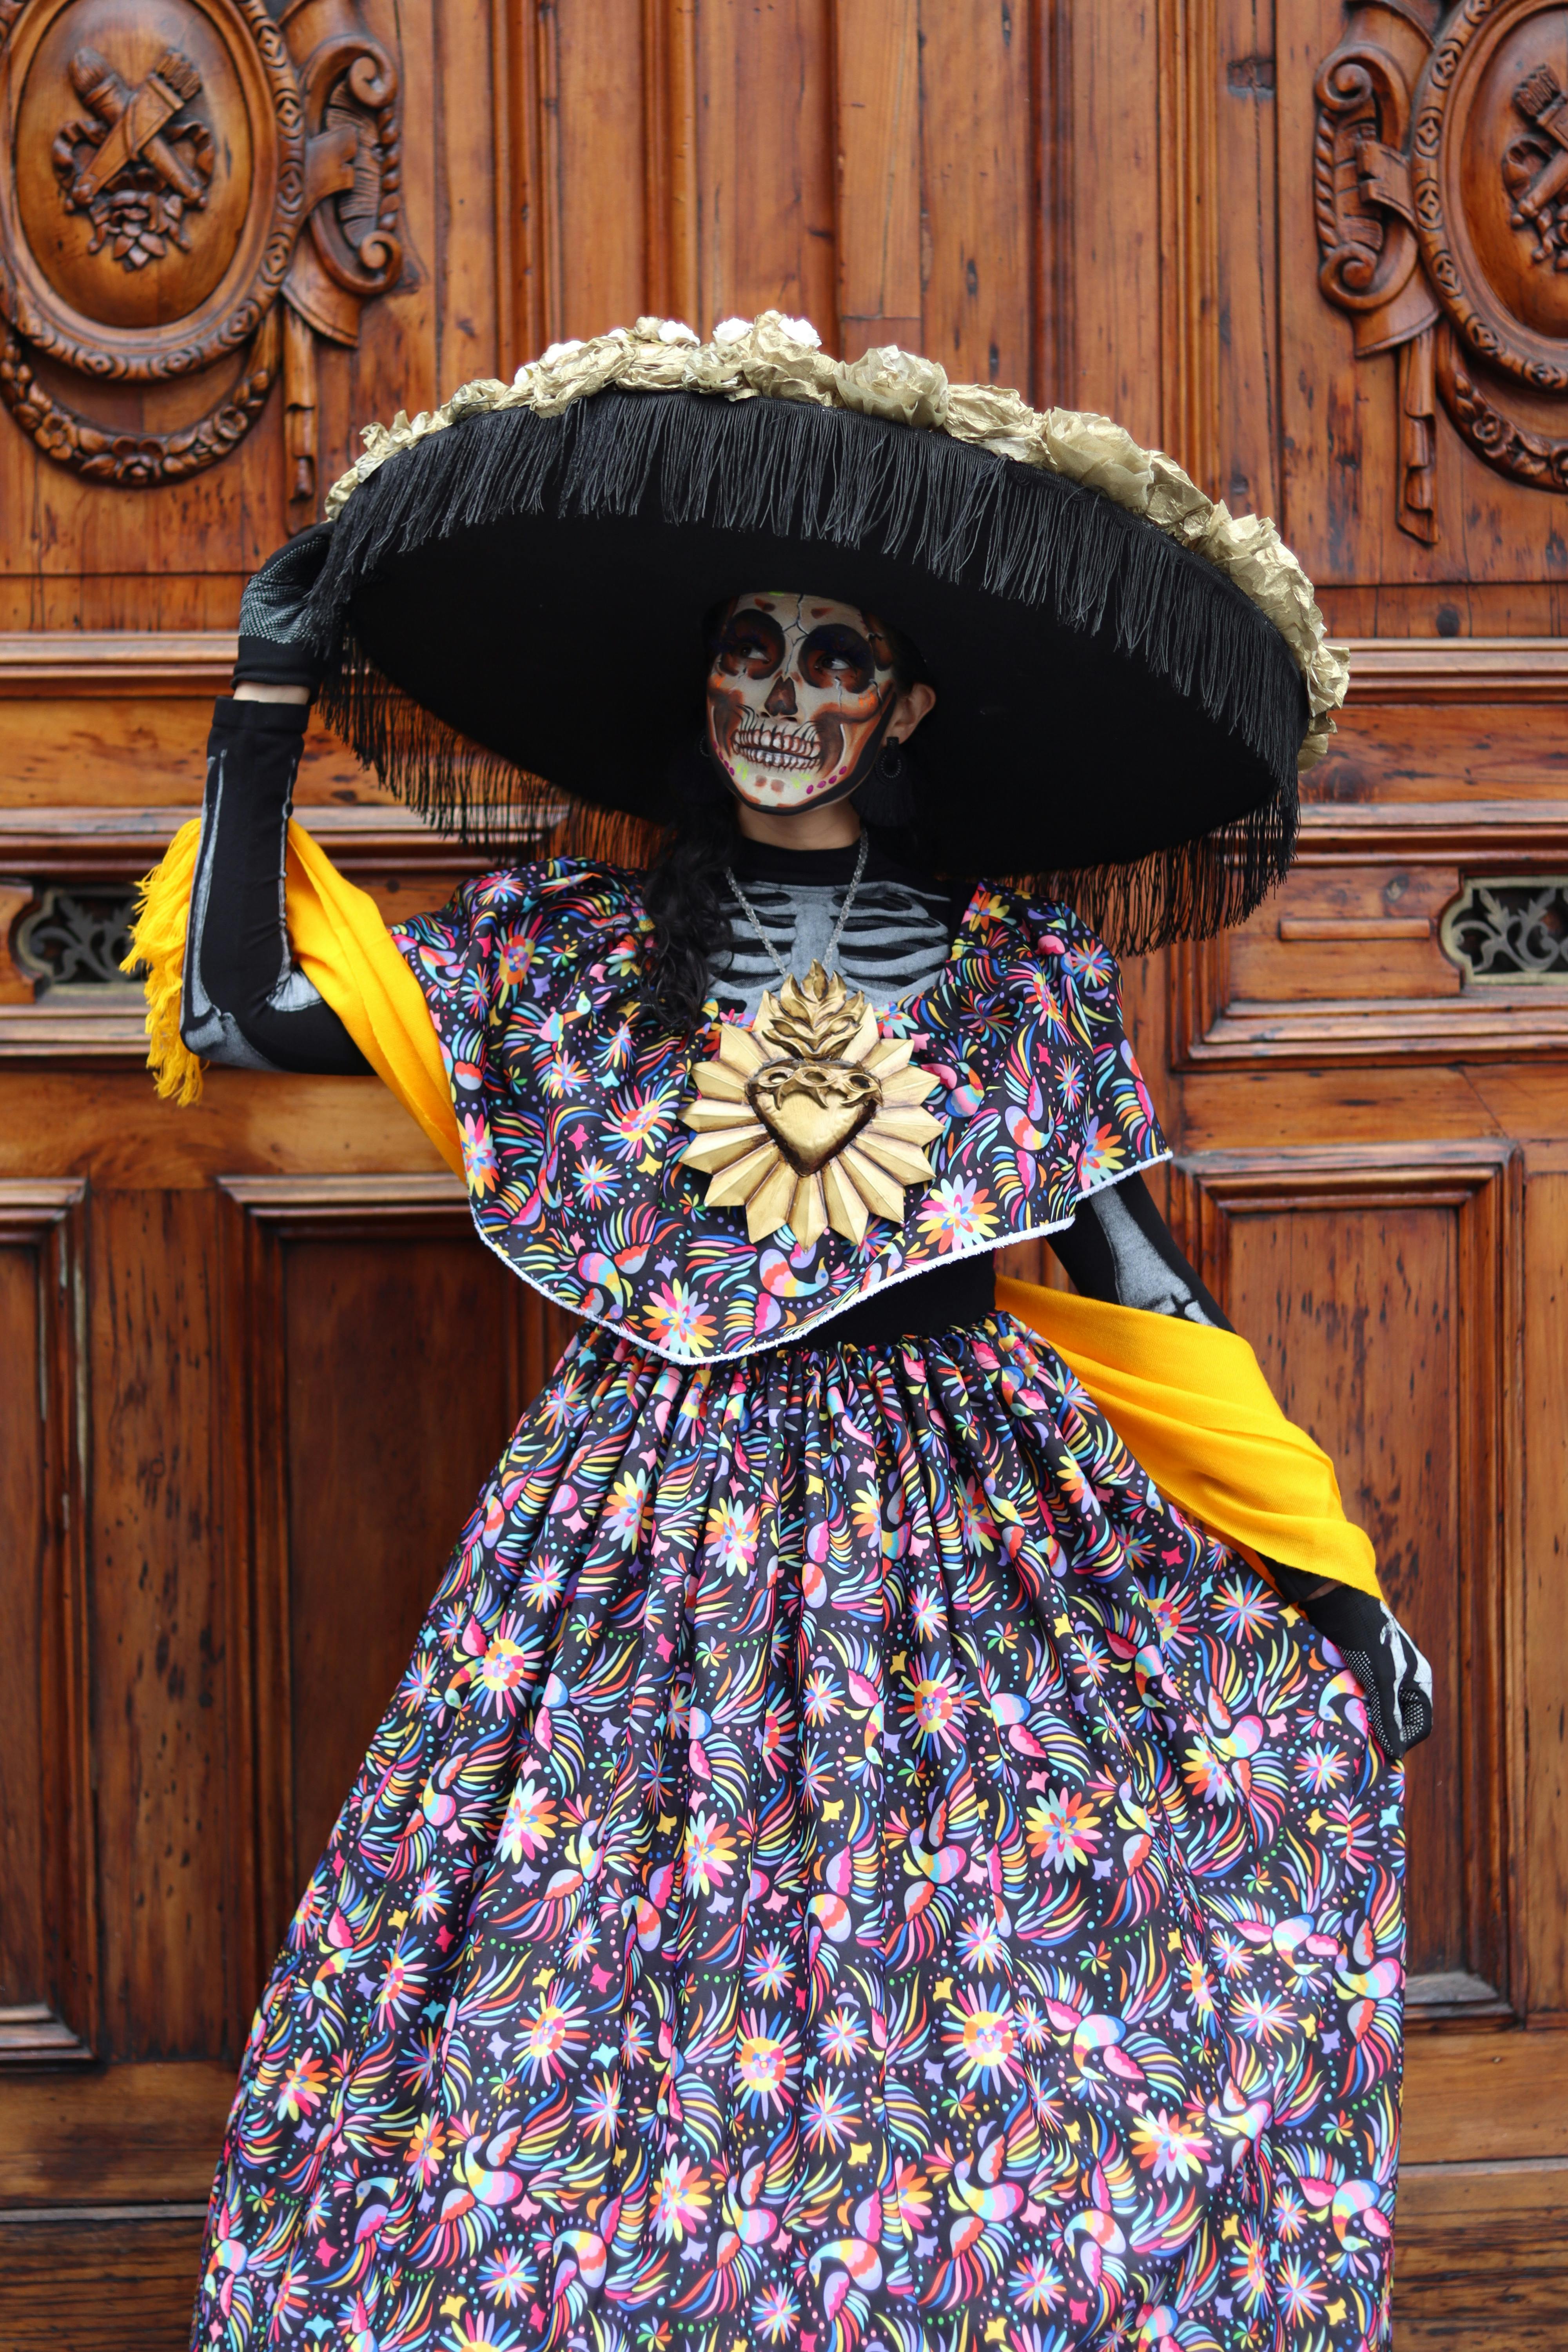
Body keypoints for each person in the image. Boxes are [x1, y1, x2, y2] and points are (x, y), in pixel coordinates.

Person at [134, 315, 1428, 2352]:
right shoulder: (567, 957)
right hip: (641, 1531)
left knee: (1003, 2041)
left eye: (835, 661)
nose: (784, 695)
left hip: (964, 1529)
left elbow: (1135, 1289)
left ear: (902, 704)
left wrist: (1322, 1577)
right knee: (571, 2049)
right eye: (753, 650)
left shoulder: (1017, 979)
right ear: (703, 679)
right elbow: (236, 1019)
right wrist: (263, 697)